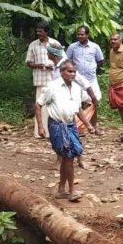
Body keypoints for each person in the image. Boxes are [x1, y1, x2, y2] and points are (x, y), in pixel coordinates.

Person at [35, 60, 95, 202]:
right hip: (57, 126)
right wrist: (41, 127)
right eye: (69, 71)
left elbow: (78, 109)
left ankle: (61, 190)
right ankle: (72, 191)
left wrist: (88, 125)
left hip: (70, 125)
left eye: (74, 71)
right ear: (62, 72)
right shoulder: (52, 87)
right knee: (68, 156)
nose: (72, 74)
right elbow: (38, 105)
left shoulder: (76, 88)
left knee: (69, 156)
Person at [46, 43, 99, 169]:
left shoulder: (67, 67)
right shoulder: (56, 67)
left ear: (52, 54)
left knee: (73, 134)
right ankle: (60, 161)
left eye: (48, 52)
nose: (46, 54)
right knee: (60, 136)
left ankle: (80, 159)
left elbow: (84, 83)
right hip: (58, 105)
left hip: (70, 104)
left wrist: (94, 98)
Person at [25, 21, 61, 138]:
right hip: (40, 79)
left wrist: (53, 66)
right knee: (41, 106)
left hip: (54, 79)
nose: (38, 33)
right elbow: (28, 62)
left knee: (54, 106)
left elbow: (62, 60)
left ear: (46, 32)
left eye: (40, 31)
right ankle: (40, 132)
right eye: (37, 31)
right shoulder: (33, 45)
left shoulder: (55, 43)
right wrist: (37, 66)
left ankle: (53, 132)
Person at [66, 25, 104, 135]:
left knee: (94, 101)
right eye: (78, 34)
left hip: (91, 79)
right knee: (77, 103)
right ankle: (79, 128)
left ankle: (94, 126)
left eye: (82, 34)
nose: (80, 36)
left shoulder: (95, 47)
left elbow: (100, 61)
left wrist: (94, 71)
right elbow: (68, 62)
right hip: (76, 80)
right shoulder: (72, 47)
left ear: (87, 35)